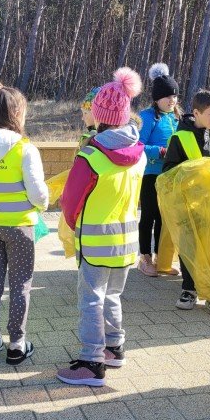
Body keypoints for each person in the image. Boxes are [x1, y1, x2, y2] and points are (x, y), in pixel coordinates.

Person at [58, 68, 145, 387]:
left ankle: (92, 362)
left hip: (95, 242)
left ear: (98, 114)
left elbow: (70, 202)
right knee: (113, 296)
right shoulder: (139, 154)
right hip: (127, 240)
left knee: (91, 298)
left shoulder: (91, 155)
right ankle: (114, 347)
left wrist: (71, 226)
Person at [0, 78, 49, 365]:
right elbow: (38, 192)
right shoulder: (25, 148)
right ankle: (16, 344)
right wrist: (45, 203)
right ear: (16, 113)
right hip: (20, 227)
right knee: (20, 284)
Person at [162, 89, 210, 320]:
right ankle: (189, 289)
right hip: (188, 206)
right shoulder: (179, 138)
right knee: (189, 247)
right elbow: (168, 173)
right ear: (197, 113)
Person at [136, 63, 180, 276]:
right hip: (151, 175)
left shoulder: (177, 117)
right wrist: (161, 151)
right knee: (149, 216)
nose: (172, 100)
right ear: (156, 98)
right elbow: (138, 146)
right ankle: (144, 258)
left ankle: (162, 259)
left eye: (174, 96)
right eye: (167, 96)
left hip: (172, 176)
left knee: (165, 217)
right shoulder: (147, 117)